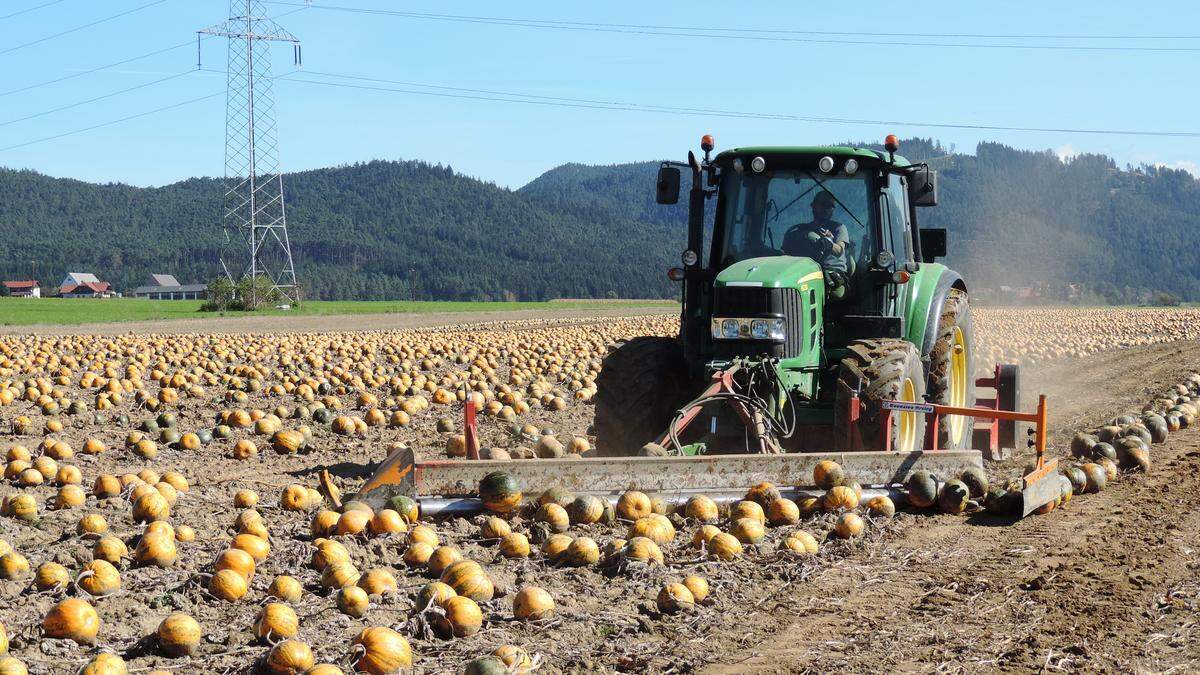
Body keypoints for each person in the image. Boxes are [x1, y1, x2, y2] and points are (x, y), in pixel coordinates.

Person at [782, 191, 851, 296]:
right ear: (813, 206)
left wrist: (829, 243)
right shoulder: (801, 231)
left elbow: (839, 250)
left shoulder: (839, 228)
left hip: (832, 273)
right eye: (822, 204)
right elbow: (786, 253)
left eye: (829, 206)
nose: (825, 209)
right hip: (806, 272)